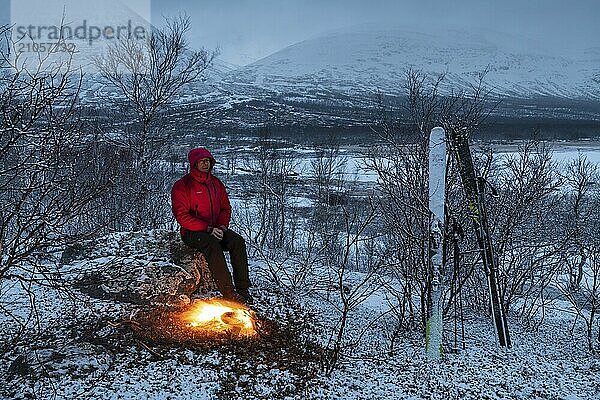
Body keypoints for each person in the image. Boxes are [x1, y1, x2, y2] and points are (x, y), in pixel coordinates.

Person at [171, 147, 253, 304]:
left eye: (207, 161)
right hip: (192, 232)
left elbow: (225, 208)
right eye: (201, 161)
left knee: (237, 241)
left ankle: (243, 289)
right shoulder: (182, 186)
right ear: (193, 164)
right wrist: (208, 229)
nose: (205, 164)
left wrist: (222, 227)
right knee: (212, 244)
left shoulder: (216, 184)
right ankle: (228, 292)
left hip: (216, 229)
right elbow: (182, 217)